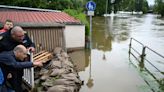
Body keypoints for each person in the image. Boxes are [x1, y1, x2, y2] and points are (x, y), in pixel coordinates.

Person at [0, 26, 35, 92]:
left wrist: (32, 47)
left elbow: (31, 43)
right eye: (19, 37)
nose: (22, 38)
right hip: (6, 67)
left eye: (23, 36)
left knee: (18, 81)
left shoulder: (23, 35)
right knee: (8, 84)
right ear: (13, 35)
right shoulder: (3, 39)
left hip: (19, 65)